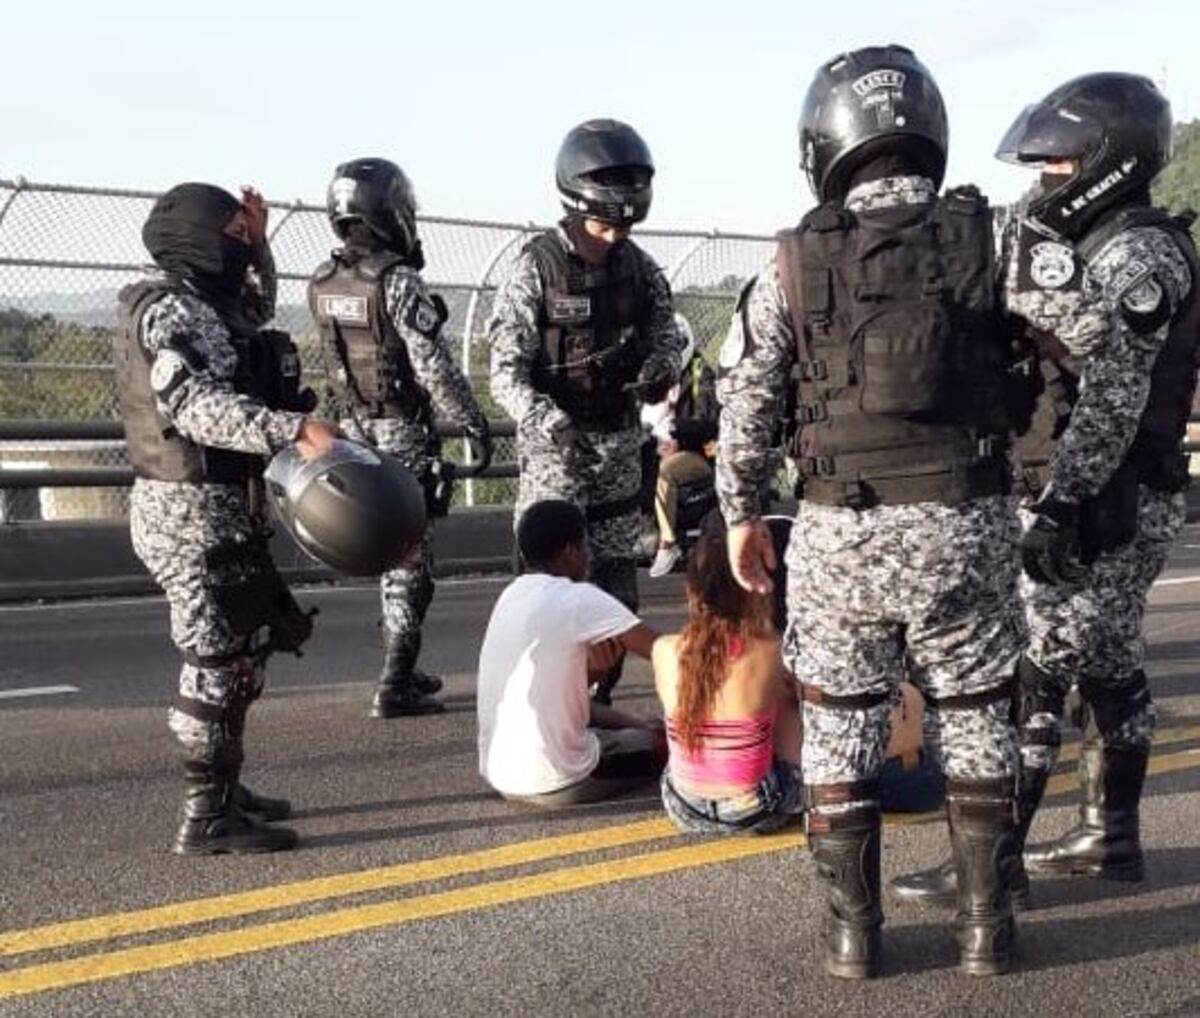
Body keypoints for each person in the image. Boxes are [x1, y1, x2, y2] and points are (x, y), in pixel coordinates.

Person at [716, 46, 1025, 978]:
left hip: (838, 532)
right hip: (965, 520)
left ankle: (855, 938)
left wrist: (738, 513)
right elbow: (1096, 343)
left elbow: (747, 405)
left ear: (828, 142)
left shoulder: (790, 263)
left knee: (844, 724)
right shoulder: (997, 237)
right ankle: (986, 933)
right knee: (977, 718)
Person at [893, 74, 1198, 905]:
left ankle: (990, 868)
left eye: (1061, 163)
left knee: (1036, 670)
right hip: (1102, 486)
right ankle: (1111, 838)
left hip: (1107, 494)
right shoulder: (1098, 242)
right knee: (1107, 662)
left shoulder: (1140, 253)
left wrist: (1063, 503)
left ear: (1110, 160)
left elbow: (1114, 394)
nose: (1045, 178)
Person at [114, 182, 338, 854]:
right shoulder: (171, 316)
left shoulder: (208, 305)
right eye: (234, 232)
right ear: (197, 235)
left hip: (220, 511)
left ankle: (227, 785)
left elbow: (256, 311)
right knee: (213, 663)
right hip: (189, 514)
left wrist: (263, 246)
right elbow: (196, 407)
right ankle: (205, 815)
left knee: (245, 652)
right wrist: (293, 428)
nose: (242, 243)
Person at [488, 119, 682, 706]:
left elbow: (668, 339)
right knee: (548, 591)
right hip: (556, 456)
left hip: (620, 448)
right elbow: (504, 374)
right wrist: (553, 425)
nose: (615, 237)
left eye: (624, 226)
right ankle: (540, 701)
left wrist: (660, 368)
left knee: (617, 586)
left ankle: (598, 700)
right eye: (604, 225)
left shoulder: (641, 270)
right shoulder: (534, 270)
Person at [309, 158, 492, 718]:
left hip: (351, 431)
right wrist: (472, 422)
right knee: (410, 559)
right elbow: (433, 366)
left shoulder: (320, 282)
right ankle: (394, 681)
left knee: (390, 559)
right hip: (401, 433)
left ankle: (402, 669)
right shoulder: (396, 281)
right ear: (389, 211)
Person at [654, 515, 945, 836]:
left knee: (763, 710)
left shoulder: (665, 649)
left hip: (683, 803)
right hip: (753, 807)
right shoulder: (772, 652)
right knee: (808, 708)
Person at [476, 499, 666, 807]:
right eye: (585, 546)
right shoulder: (579, 598)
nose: (588, 556)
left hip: (501, 776)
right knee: (665, 743)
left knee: (637, 733)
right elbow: (667, 653)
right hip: (561, 781)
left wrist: (597, 680)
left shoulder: (511, 595)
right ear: (570, 551)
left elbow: (562, 704)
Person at [646, 313, 720, 578]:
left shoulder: (702, 373)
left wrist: (676, 433)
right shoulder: (654, 376)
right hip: (658, 446)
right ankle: (640, 531)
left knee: (665, 472)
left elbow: (709, 424)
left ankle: (668, 543)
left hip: (700, 452)